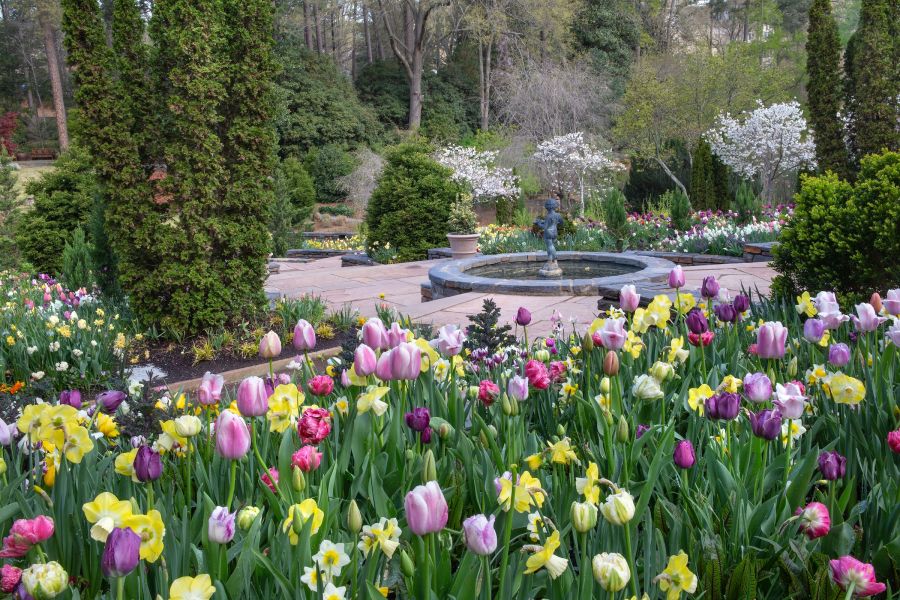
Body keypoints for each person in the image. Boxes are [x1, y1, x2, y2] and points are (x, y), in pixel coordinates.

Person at [534, 197, 563, 261]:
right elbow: (561, 223)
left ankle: (554, 256)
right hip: (555, 232)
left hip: (548, 233)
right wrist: (554, 223)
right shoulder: (558, 215)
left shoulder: (548, 216)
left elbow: (544, 227)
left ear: (547, 207)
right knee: (551, 245)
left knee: (549, 246)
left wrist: (538, 223)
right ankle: (550, 258)